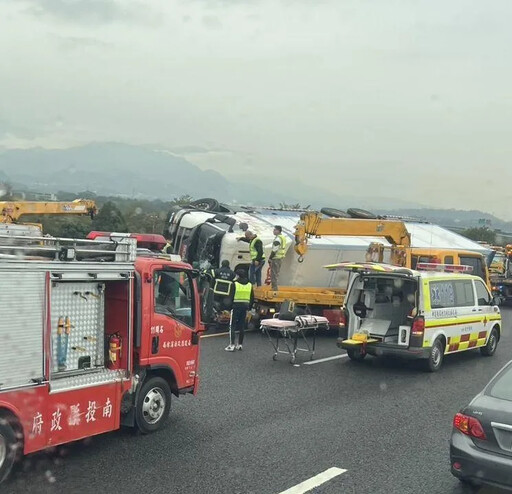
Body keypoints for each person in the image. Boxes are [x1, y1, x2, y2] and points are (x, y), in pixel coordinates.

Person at [225, 269, 253, 352]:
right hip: (245, 307)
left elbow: (231, 296)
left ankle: (232, 345)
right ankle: (240, 344)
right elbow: (252, 298)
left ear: (238, 275)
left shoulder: (235, 284)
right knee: (242, 326)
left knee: (232, 326)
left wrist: (229, 308)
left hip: (236, 306)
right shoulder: (249, 285)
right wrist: (249, 308)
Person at [268, 225, 287, 291]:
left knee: (273, 274)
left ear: (278, 231)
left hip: (276, 258)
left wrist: (270, 258)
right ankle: (274, 288)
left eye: (274, 230)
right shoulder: (283, 237)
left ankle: (274, 289)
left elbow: (275, 249)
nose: (273, 231)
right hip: (280, 257)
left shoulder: (278, 238)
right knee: (276, 273)